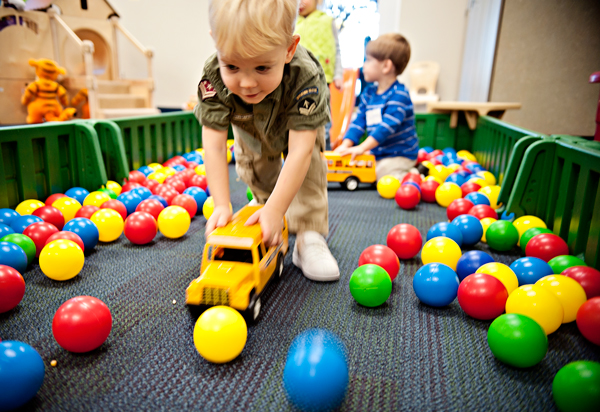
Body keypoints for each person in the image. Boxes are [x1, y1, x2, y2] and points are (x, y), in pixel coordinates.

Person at [194, 0, 340, 282]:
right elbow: (213, 146)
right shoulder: (212, 77)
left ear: (288, 49)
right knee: (256, 166)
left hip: (298, 122)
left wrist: (278, 208)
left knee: (308, 168)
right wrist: (222, 204)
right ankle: (265, 213)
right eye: (233, 66)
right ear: (216, 44)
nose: (247, 83)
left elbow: (300, 151)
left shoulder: (305, 76)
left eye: (262, 68)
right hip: (250, 128)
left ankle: (308, 235)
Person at [334, 33, 419, 181]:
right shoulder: (369, 93)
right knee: (358, 167)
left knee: (379, 175)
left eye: (368, 60)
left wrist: (362, 147)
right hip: (378, 154)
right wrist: (345, 145)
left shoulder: (399, 95)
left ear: (386, 66)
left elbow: (385, 128)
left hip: (399, 155)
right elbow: (359, 123)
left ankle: (413, 175)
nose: (363, 66)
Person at [295, 0, 343, 90]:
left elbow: (336, 49)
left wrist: (338, 75)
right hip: (297, 77)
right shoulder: (292, 22)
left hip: (322, 76)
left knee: (323, 102)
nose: (300, 2)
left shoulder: (327, 20)